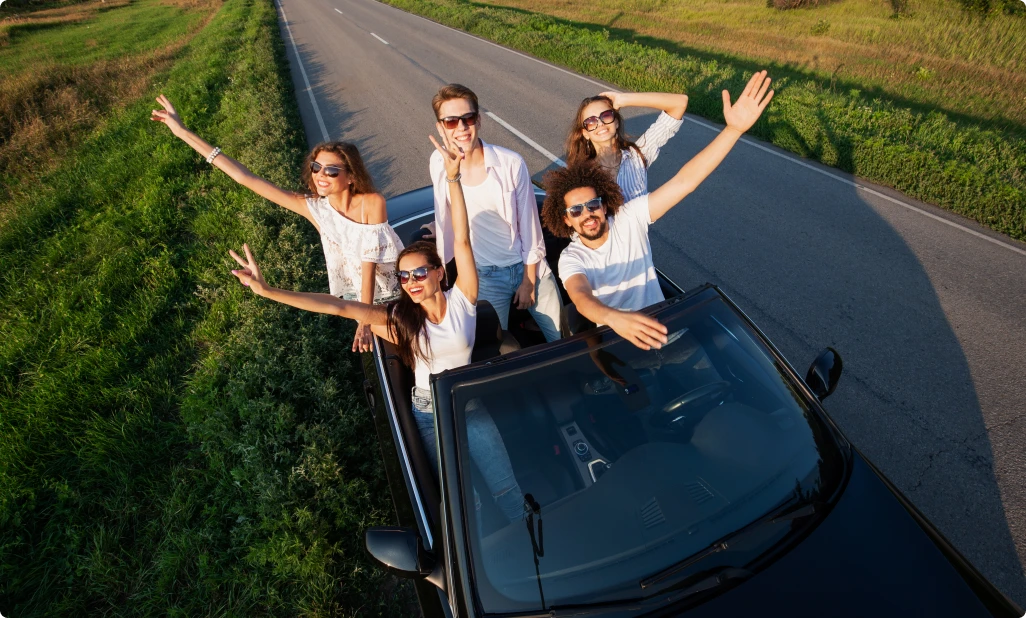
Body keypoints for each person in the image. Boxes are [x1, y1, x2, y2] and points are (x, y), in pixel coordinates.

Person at [227, 131, 525, 523]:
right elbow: (338, 306)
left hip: (469, 404)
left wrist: (453, 178)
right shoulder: (400, 321)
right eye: (403, 276)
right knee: (468, 506)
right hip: (429, 413)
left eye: (420, 272)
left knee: (507, 490)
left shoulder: (463, 298)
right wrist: (268, 292)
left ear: (439, 272)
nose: (412, 281)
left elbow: (463, 239)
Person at [150, 94, 402, 353]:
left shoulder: (372, 202)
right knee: (408, 351)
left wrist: (364, 319)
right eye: (316, 167)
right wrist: (182, 132)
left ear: (350, 177)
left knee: (415, 343)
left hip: (396, 292)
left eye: (331, 171)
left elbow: (369, 262)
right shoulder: (314, 208)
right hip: (356, 303)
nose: (320, 176)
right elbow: (244, 177)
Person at [541, 71, 774, 350]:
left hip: (635, 239)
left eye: (606, 116)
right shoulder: (576, 236)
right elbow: (582, 298)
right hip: (612, 294)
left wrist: (733, 130)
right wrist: (615, 318)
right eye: (576, 210)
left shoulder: (634, 175)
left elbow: (685, 179)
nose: (586, 212)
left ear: (603, 202)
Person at [428, 84, 562, 342]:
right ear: (440, 127)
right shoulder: (438, 163)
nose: (461, 127)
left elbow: (530, 227)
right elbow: (449, 208)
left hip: (528, 268)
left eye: (468, 118)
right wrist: (437, 226)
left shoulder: (510, 163)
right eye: (451, 121)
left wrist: (528, 281)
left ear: (478, 120)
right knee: (496, 348)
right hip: (484, 276)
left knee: (560, 339)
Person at [565, 90, 689, 202]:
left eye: (606, 115)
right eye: (591, 122)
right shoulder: (582, 174)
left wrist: (623, 99)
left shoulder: (638, 154)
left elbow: (680, 103)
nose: (600, 124)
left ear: (616, 122)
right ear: (585, 133)